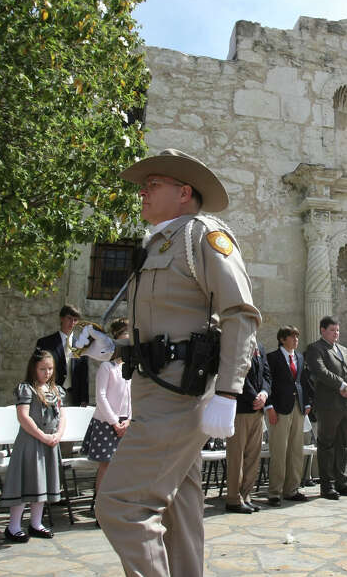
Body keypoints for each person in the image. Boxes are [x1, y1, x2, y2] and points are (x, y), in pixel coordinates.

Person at [95, 149, 260, 577]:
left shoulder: (202, 236)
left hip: (179, 393)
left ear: (184, 192)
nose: (144, 193)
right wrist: (112, 349)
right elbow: (162, 327)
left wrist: (228, 391)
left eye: (154, 185)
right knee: (179, 508)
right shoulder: (157, 243)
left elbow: (240, 313)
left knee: (121, 504)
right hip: (151, 388)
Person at [0, 349, 66, 542]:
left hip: (50, 443)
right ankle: (13, 526)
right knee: (26, 481)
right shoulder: (26, 388)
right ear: (33, 368)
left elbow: (63, 416)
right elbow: (23, 416)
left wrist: (58, 435)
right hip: (31, 442)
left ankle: (36, 523)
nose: (47, 373)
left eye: (50, 368)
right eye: (43, 369)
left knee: (43, 483)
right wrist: (42, 436)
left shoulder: (56, 390)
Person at [304, 317, 347, 501]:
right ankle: (327, 485)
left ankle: (341, 482)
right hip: (329, 404)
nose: (336, 333)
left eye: (337, 330)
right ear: (322, 330)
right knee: (326, 444)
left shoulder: (344, 350)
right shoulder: (315, 349)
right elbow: (320, 372)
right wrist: (342, 385)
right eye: (332, 330)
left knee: (342, 444)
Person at [81, 318, 132, 518]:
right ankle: (100, 505)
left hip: (125, 422)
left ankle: (119, 503)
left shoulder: (130, 368)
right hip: (107, 422)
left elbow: (132, 396)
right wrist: (114, 421)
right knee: (107, 464)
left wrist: (128, 419)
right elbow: (101, 396)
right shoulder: (107, 367)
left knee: (124, 464)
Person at [265, 326, 312, 506]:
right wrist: (269, 407)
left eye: (297, 337)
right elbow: (268, 383)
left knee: (295, 450)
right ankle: (274, 492)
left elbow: (303, 381)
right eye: (292, 337)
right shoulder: (273, 358)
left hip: (298, 407)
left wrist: (306, 402)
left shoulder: (299, 357)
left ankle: (292, 489)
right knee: (279, 451)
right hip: (279, 409)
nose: (296, 340)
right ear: (282, 339)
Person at [224, 341, 271, 513]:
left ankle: (246, 495)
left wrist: (264, 394)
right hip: (241, 409)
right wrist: (254, 397)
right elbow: (238, 375)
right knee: (237, 456)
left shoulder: (260, 347)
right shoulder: (237, 344)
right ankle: (233, 498)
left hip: (257, 411)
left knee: (253, 455)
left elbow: (266, 374)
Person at [35, 304, 81, 398]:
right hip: (50, 392)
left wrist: (84, 398)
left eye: (75, 320)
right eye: (69, 318)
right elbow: (37, 368)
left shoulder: (81, 345)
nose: (72, 322)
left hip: (74, 395)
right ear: (62, 318)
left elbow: (83, 373)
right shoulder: (45, 342)